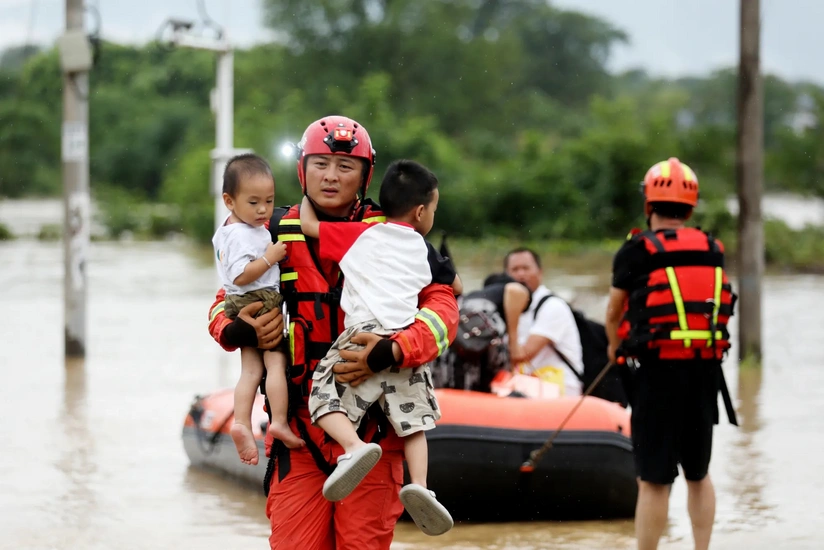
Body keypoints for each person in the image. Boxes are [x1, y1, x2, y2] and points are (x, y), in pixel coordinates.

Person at [207, 115, 459, 550]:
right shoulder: (265, 230)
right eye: (321, 164)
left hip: (376, 435)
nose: (331, 176)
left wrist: (393, 351)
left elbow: (442, 311)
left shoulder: (394, 232)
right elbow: (222, 299)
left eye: (345, 167)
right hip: (301, 432)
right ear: (304, 169)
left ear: (366, 176)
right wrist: (237, 327)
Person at [300, 159, 459, 536]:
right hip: (403, 337)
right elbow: (456, 287)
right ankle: (419, 484)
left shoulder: (358, 235)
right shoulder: (425, 250)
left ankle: (352, 446)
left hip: (361, 335)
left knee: (322, 398)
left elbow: (308, 226)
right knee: (415, 424)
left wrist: (306, 196)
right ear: (421, 212)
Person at [604, 157, 737, 550]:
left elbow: (614, 311)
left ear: (649, 205)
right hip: (705, 371)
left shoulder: (635, 251)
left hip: (657, 373)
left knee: (654, 479)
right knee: (699, 473)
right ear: (690, 207)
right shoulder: (713, 247)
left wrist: (614, 348)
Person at [211, 154, 305, 466]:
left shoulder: (230, 229)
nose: (263, 210)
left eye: (269, 201)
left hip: (240, 303)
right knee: (275, 364)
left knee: (251, 371)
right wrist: (270, 257)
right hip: (260, 299)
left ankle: (240, 422)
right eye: (254, 203)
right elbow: (239, 275)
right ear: (229, 200)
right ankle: (278, 421)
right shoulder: (241, 234)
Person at [503, 248, 584, 396]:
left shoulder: (553, 307)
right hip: (528, 384)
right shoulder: (502, 305)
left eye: (526, 268)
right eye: (514, 269)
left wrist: (511, 313)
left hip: (560, 388)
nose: (520, 274)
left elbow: (520, 356)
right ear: (505, 276)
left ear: (540, 272)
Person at [440, 273, 531, 392]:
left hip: (452, 340)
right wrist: (514, 347)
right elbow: (515, 290)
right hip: (481, 338)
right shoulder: (511, 289)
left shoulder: (471, 296)